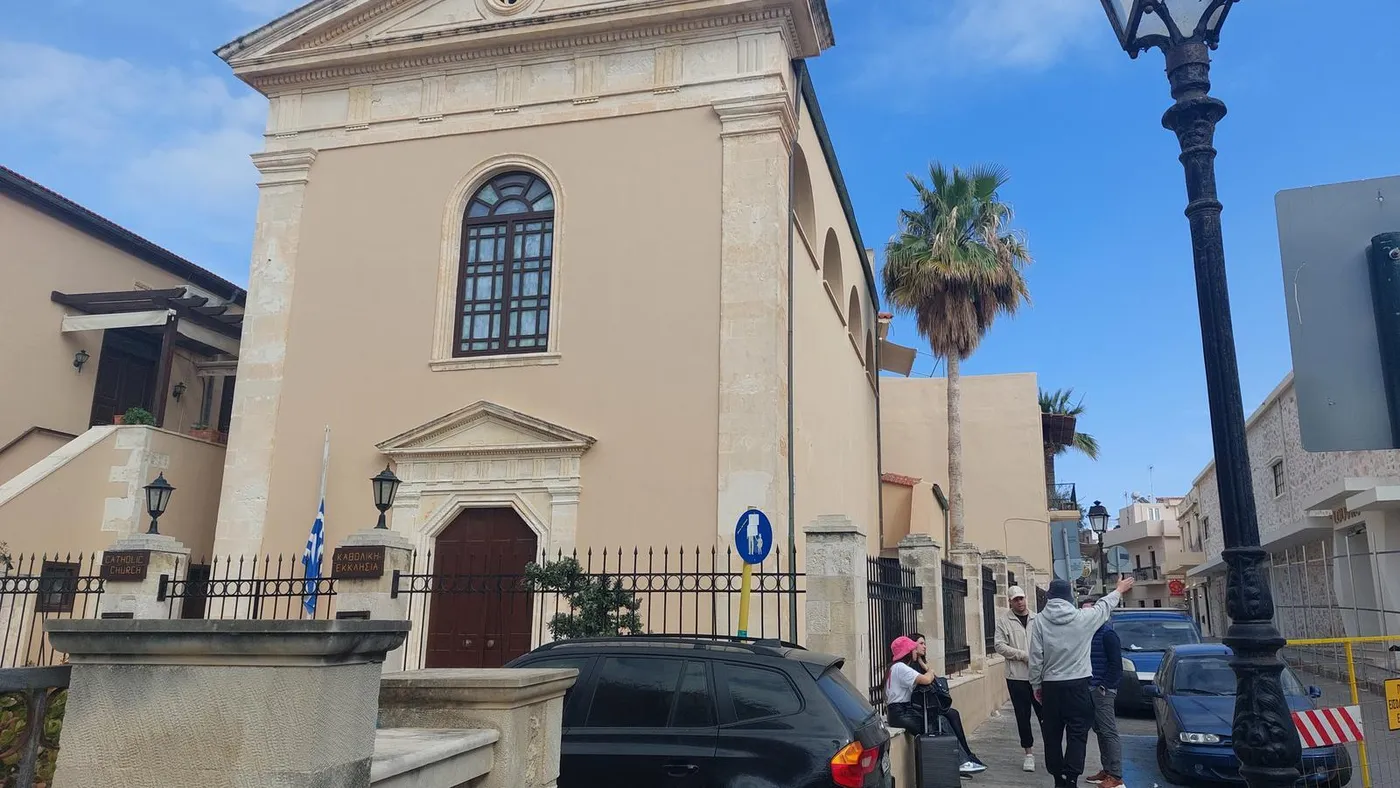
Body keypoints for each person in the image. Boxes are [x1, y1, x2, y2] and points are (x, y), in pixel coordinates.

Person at [1029, 576, 1134, 788]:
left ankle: (1058, 777)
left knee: (1052, 735)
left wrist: (1036, 686)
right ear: (1069, 598)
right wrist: (1119, 590)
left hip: (1051, 686)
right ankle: (1071, 778)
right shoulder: (1082, 618)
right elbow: (1104, 606)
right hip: (1078, 687)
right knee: (1077, 735)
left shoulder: (1039, 621)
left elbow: (1035, 658)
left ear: (1049, 597)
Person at [885, 635, 987, 776]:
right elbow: (927, 680)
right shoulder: (901, 668)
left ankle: (961, 759)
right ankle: (961, 761)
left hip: (898, 712)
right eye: (913, 648)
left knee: (941, 719)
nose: (916, 650)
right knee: (938, 721)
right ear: (908, 651)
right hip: (901, 713)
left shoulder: (895, 668)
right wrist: (930, 671)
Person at [1078, 596, 1125, 788]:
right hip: (1090, 687)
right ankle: (1106, 770)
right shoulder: (1085, 633)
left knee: (1108, 731)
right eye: (1084, 610)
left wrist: (1104, 686)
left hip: (1102, 690)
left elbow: (1116, 664)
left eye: (1091, 610)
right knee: (1099, 730)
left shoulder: (1107, 634)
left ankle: (1115, 775)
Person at [994, 585, 1042, 773]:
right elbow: (999, 645)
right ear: (1010, 601)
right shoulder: (1004, 621)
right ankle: (1028, 754)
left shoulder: (1037, 619)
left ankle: (1052, 752)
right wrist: (1022, 655)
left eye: (1021, 598)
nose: (1020, 602)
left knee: (1045, 715)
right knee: (1023, 716)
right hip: (1017, 677)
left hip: (1038, 676)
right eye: (1016, 599)